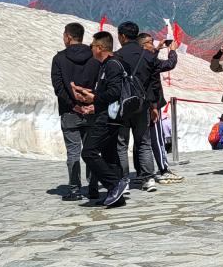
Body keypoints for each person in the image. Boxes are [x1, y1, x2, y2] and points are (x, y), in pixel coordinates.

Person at [77, 31, 132, 207]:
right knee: (109, 154)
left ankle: (115, 184)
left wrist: (94, 98)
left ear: (100, 48)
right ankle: (116, 197)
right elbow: (107, 93)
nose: (91, 49)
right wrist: (93, 100)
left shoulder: (112, 65)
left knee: (89, 152)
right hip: (112, 114)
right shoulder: (112, 64)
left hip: (110, 116)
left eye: (92, 46)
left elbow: (114, 92)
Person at [50, 22, 101, 202]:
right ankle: (93, 187)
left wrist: (74, 105)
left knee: (73, 152)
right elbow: (101, 84)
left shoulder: (59, 59)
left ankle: (75, 189)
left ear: (68, 37)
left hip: (70, 112)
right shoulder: (94, 58)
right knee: (92, 151)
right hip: (92, 110)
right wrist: (92, 102)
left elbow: (59, 88)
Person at [114, 22, 159, 193]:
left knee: (121, 144)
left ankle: (123, 180)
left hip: (123, 106)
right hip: (143, 105)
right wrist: (153, 105)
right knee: (144, 142)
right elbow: (154, 83)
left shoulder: (117, 56)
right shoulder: (148, 56)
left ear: (123, 36)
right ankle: (148, 179)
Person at [139, 33, 184, 184]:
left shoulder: (136, 58)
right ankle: (163, 169)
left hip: (136, 105)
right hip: (152, 104)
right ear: (143, 45)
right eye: (150, 42)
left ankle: (142, 172)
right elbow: (169, 64)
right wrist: (172, 50)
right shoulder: (150, 60)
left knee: (141, 140)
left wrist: (157, 49)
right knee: (157, 138)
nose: (153, 44)